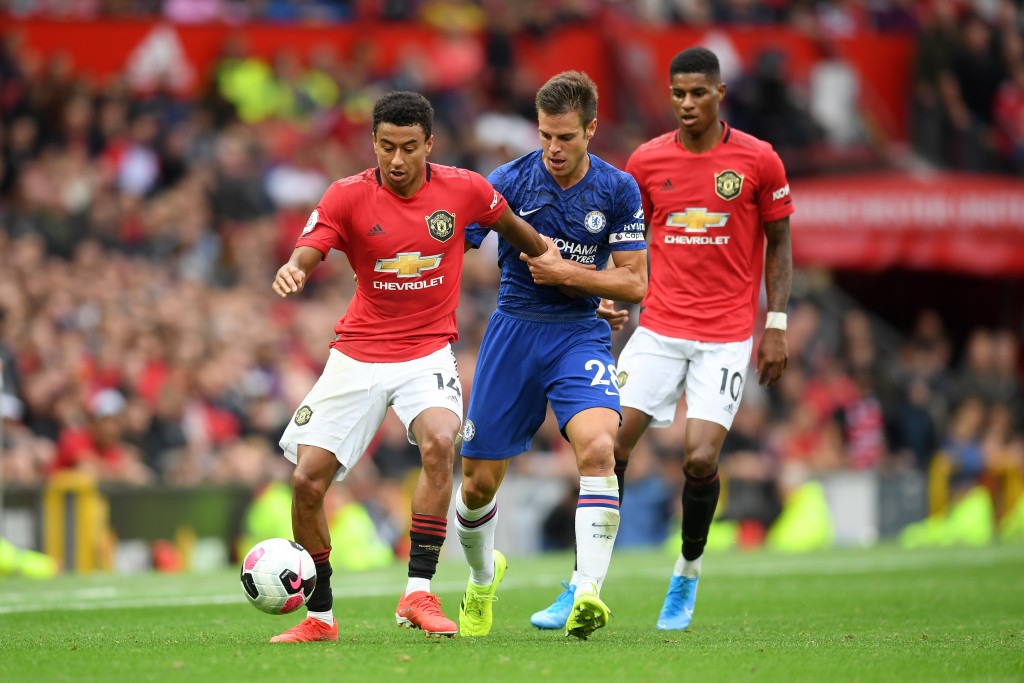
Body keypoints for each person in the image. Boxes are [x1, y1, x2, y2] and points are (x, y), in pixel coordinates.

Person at [268, 90, 552, 643]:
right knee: (306, 480)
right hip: (357, 352)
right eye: (386, 147)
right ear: (373, 142)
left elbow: (524, 235)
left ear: (430, 144)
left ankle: (418, 591)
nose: (396, 160)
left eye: (409, 147)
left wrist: (577, 283)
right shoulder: (346, 195)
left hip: (426, 352)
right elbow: (312, 246)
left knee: (442, 441)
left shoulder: (465, 189)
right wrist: (295, 267)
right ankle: (320, 617)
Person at [532, 46, 793, 631]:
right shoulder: (647, 162)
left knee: (699, 458)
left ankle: (687, 572)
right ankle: (581, 585)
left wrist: (775, 323)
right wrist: (607, 295)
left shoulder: (758, 160)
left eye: (698, 92)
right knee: (607, 445)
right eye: (678, 93)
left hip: (725, 335)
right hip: (659, 328)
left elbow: (780, 241)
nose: (687, 103)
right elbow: (623, 241)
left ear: (720, 93)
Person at [454, 71, 648, 640]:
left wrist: (572, 276)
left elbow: (634, 283)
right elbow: (455, 247)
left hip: (577, 335)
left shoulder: (618, 189)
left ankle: (587, 590)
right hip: (512, 332)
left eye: (565, 137)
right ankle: (481, 580)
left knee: (599, 448)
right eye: (545, 136)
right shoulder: (509, 180)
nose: (553, 148)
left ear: (591, 129)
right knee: (476, 487)